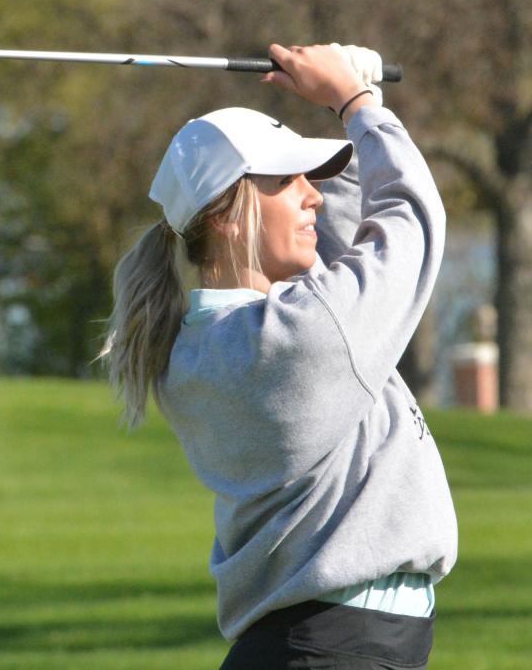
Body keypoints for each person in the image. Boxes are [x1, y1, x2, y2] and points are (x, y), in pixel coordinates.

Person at [98, 44, 458, 669]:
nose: (312, 194)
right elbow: (408, 223)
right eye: (287, 180)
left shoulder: (215, 343)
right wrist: (353, 103)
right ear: (226, 216)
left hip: (322, 647)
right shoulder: (296, 338)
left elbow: (342, 221)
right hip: (339, 651)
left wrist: (350, 102)